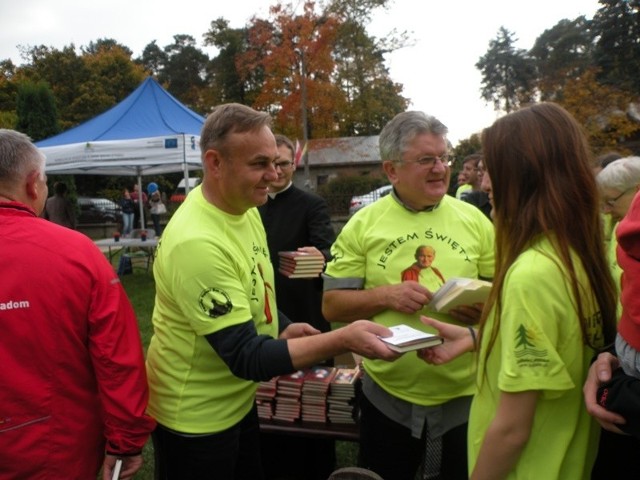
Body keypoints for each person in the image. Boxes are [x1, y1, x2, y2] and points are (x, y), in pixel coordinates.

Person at [144, 103, 400, 480]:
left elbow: (255, 288)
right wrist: (341, 339)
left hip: (237, 400)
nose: (274, 174)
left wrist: (279, 323)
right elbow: (246, 355)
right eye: (260, 164)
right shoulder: (196, 242)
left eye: (277, 163)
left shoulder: (245, 207)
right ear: (214, 163)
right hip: (196, 417)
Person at [420, 102, 618, 479]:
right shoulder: (573, 254)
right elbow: (559, 346)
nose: (483, 184)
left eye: (492, 170)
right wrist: (480, 336)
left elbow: (512, 430)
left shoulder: (531, 274)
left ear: (524, 175)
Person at [322, 110, 495, 480]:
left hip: (465, 394)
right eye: (425, 160)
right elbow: (332, 305)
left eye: (443, 158)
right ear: (391, 170)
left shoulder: (475, 220)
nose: (439, 169)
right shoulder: (363, 224)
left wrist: (483, 308)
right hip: (388, 395)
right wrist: (385, 296)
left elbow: (509, 297)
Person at [0, 129, 155, 479]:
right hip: (57, 450)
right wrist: (125, 441)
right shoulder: (77, 253)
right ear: (33, 183)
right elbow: (116, 357)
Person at [257, 134, 337, 479]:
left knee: (313, 406)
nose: (276, 170)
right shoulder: (250, 205)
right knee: (268, 400)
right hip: (263, 313)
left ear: (294, 164)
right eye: (269, 163)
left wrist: (319, 256)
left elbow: (331, 254)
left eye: (283, 163)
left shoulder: (310, 204)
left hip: (304, 313)